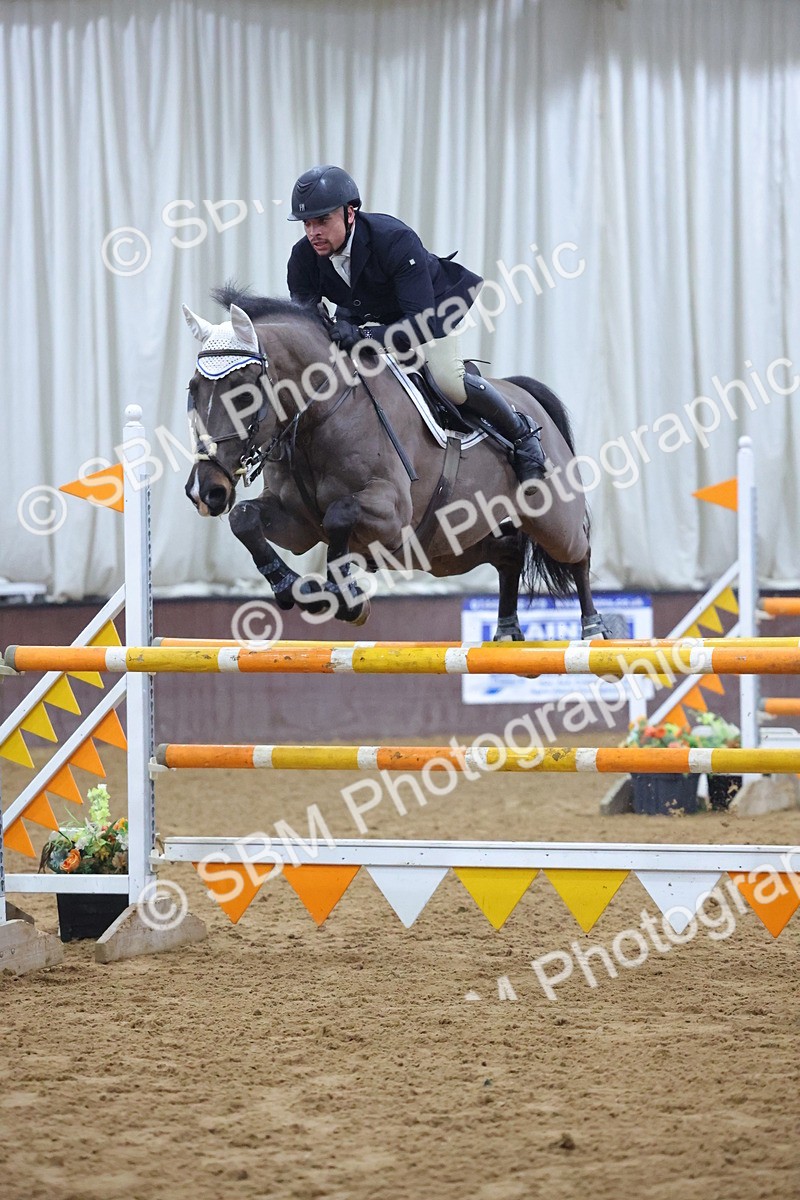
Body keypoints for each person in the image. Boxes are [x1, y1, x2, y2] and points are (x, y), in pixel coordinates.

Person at [286, 164, 546, 482]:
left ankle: (522, 433)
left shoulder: (394, 239)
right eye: (307, 223)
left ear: (350, 213)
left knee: (448, 381)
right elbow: (307, 322)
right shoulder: (302, 258)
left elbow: (418, 324)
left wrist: (363, 336)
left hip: (428, 313)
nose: (313, 232)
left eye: (323, 221)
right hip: (363, 315)